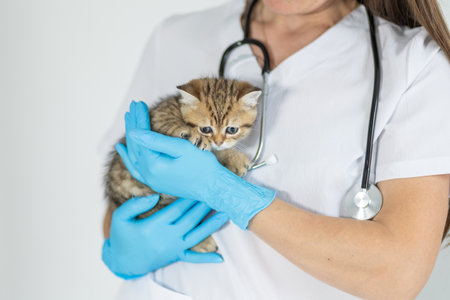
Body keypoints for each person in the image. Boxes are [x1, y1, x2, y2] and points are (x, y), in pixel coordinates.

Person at [100, 0, 450, 299]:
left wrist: (229, 193)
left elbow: (398, 273)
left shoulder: (414, 64)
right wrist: (128, 245)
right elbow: (119, 206)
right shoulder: (178, 36)